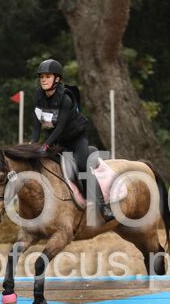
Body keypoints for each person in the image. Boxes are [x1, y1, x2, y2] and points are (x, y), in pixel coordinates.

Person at [30, 58, 114, 221]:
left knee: (82, 165)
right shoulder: (39, 96)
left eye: (47, 76)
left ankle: (103, 206)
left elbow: (60, 128)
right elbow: (36, 126)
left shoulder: (65, 98)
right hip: (57, 141)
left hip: (76, 139)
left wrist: (45, 146)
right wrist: (32, 145)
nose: (43, 80)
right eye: (41, 77)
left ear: (57, 79)